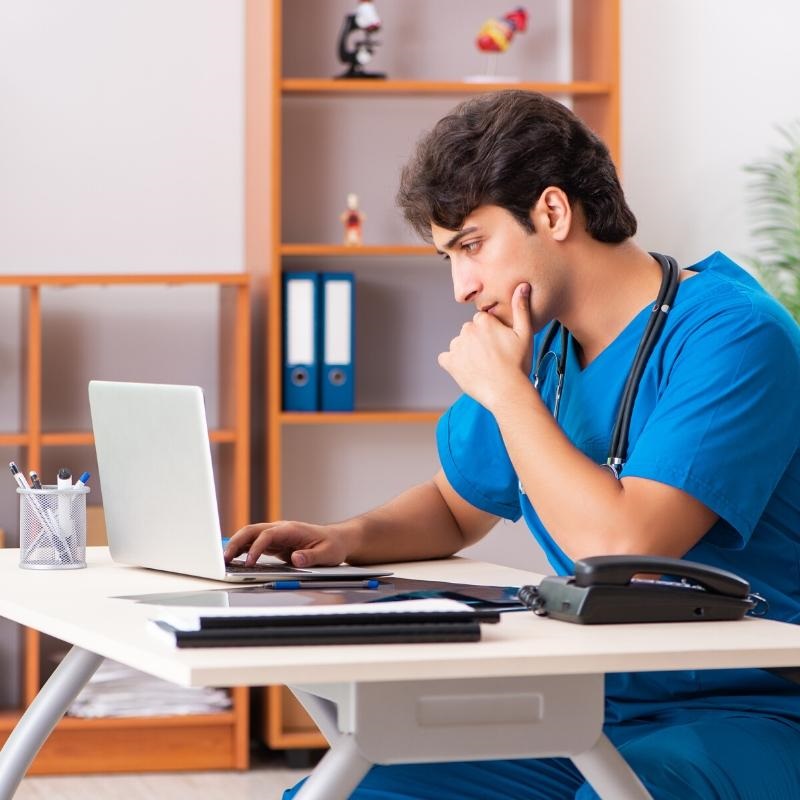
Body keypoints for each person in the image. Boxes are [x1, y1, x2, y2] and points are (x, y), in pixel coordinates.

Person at [225, 90, 800, 799]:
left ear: (553, 213)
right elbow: (453, 504)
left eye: (471, 246)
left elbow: (625, 544)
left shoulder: (733, 334)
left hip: (754, 709)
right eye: (447, 258)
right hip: (594, 710)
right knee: (350, 788)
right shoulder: (542, 343)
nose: (462, 286)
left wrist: (507, 392)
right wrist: (342, 538)